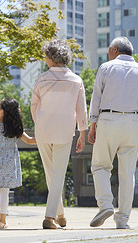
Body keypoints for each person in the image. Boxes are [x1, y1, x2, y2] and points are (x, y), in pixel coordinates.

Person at [88, 36, 138, 229]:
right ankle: (123, 220)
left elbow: (96, 98)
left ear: (115, 49)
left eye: (110, 50)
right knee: (127, 173)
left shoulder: (106, 68)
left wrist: (93, 124)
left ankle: (105, 205)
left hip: (108, 119)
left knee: (100, 166)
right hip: (134, 122)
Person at [31, 39, 88, 229]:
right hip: (64, 130)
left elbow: (34, 106)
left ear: (51, 58)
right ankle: (53, 216)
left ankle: (56, 215)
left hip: (43, 130)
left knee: (51, 174)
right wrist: (82, 132)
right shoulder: (76, 80)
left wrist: (39, 123)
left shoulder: (41, 79)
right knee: (57, 175)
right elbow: (81, 109)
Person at [0, 98, 36, 230]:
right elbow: (29, 141)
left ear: (2, 112)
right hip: (9, 164)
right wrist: (46, 138)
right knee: (4, 192)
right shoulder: (14, 129)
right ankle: (2, 222)